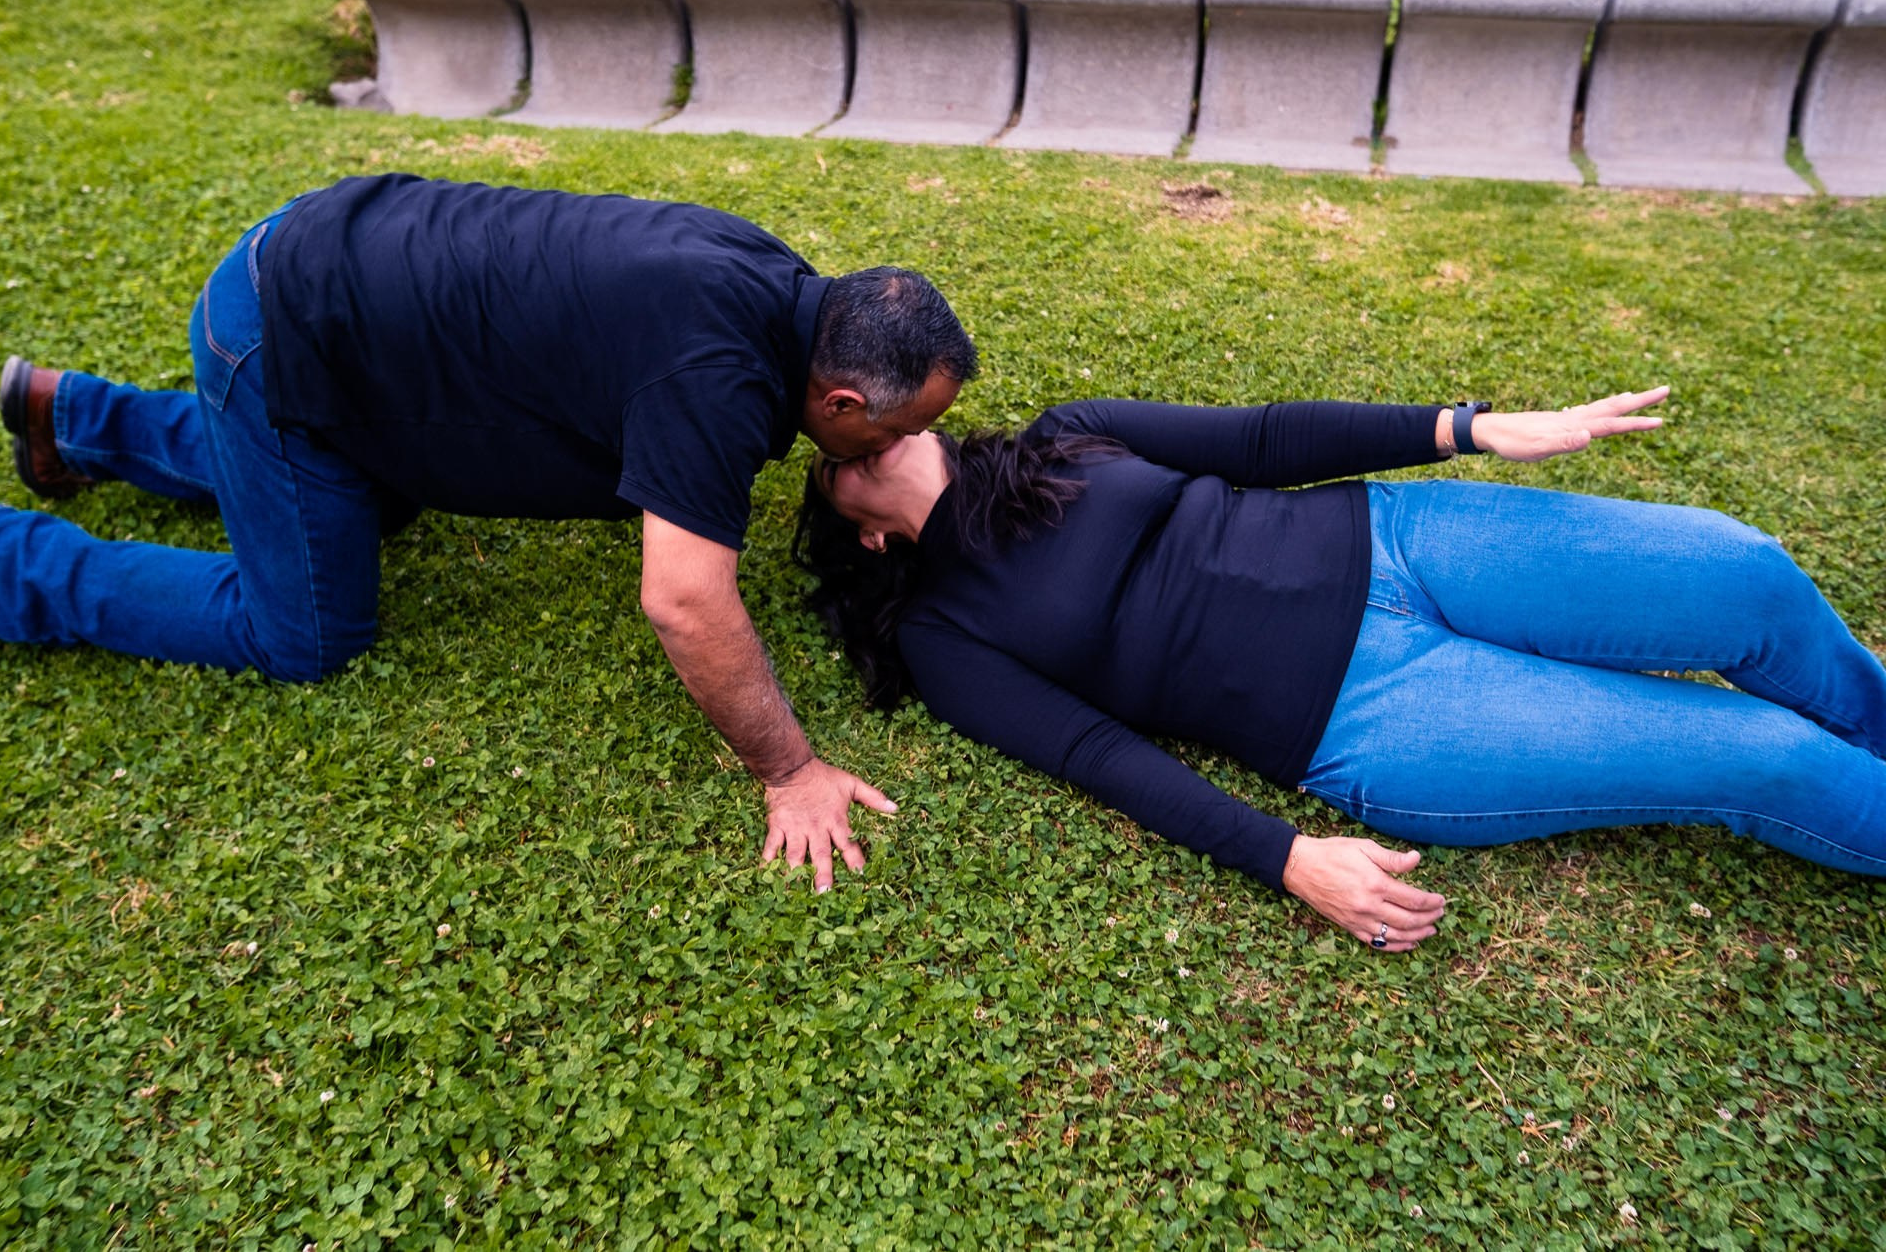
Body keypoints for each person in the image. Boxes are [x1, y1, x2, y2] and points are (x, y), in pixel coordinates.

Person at [0, 174, 977, 890]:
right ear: (836, 402)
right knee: (302, 630)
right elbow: (684, 598)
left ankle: (75, 417)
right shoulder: (720, 383)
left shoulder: (770, 279)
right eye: (892, 436)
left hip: (323, 262)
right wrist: (789, 769)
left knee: (360, 504)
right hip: (285, 333)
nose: (890, 455)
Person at [793, 387, 1886, 949]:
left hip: (1401, 540)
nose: (853, 450)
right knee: (1758, 758)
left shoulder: (1065, 435)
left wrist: (1465, 427)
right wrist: (1284, 859)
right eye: (834, 472)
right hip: (1375, 714)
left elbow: (1262, 441)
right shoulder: (943, 638)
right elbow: (1092, 753)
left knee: (1741, 572)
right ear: (868, 539)